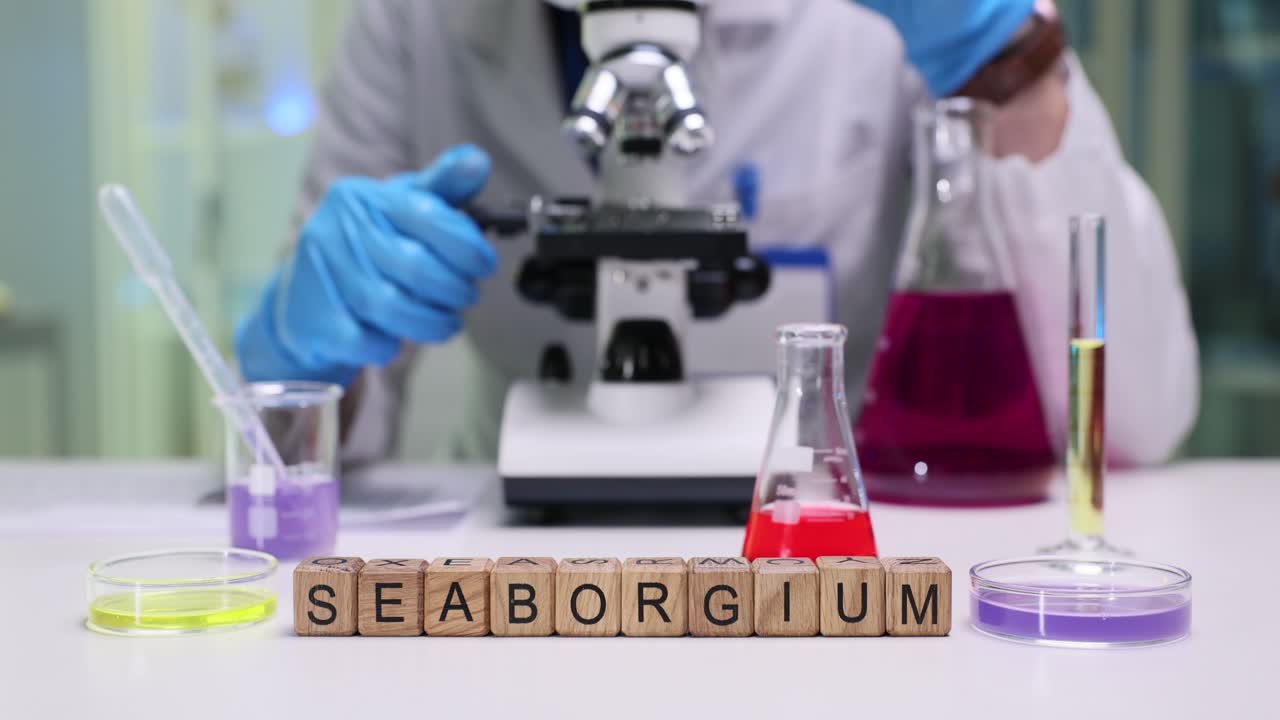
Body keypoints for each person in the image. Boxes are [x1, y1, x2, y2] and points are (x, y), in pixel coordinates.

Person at [235, 0, 1199, 465]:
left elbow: (1131, 421)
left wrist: (1007, 61)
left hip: (823, 547)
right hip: (527, 560)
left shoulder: (867, 24)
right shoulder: (415, 21)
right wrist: (310, 356)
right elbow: (293, 452)